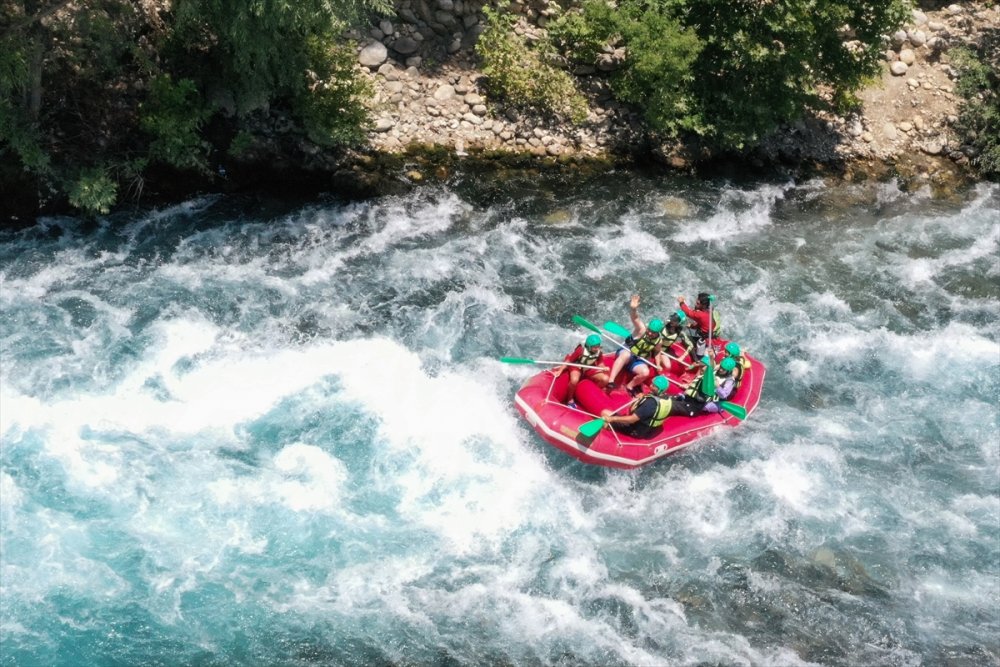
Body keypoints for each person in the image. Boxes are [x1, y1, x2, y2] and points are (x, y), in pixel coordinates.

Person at [600, 376, 703, 439]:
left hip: (636, 430)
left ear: (657, 388)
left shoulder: (650, 404)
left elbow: (632, 420)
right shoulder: (667, 399)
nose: (650, 386)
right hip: (649, 428)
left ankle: (606, 431)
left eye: (653, 385)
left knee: (605, 413)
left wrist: (612, 419)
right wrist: (643, 397)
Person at [607, 294, 664, 395]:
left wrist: (658, 364)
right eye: (649, 330)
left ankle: (630, 386)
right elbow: (635, 318)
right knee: (626, 354)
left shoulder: (658, 341)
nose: (650, 333)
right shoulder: (642, 329)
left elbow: (657, 351)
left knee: (645, 373)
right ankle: (611, 380)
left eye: (653, 332)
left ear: (658, 333)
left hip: (638, 360)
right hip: (626, 352)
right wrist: (633, 309)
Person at [552, 333, 610, 398]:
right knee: (574, 380)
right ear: (589, 347)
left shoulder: (599, 352)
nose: (597, 348)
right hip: (577, 366)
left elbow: (600, 363)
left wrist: (603, 367)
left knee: (605, 379)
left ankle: (593, 393)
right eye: (595, 347)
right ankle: (570, 399)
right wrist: (560, 370)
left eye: (598, 346)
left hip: (588, 368)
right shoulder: (580, 351)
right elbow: (569, 361)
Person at [678, 292, 721, 358]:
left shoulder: (700, 314)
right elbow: (704, 323)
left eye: (698, 303)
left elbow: (688, 313)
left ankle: (697, 360)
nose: (695, 304)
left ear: (703, 305)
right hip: (709, 334)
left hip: (706, 340)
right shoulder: (709, 310)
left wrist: (681, 302)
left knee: (699, 355)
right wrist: (693, 326)